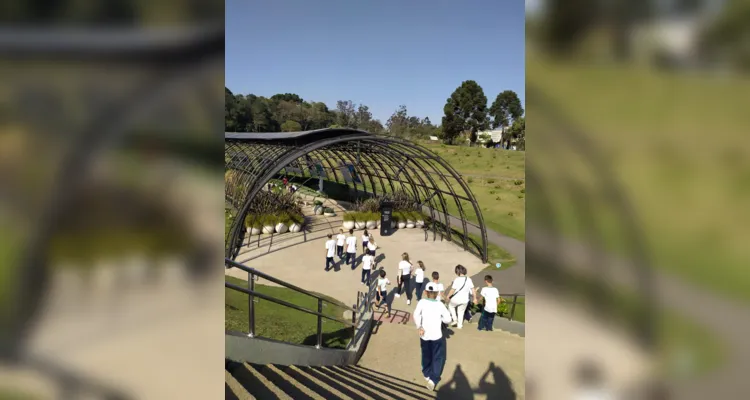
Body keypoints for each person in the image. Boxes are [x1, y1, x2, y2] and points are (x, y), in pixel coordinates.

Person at [413, 282, 452, 391]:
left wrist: (419, 326)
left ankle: (426, 372)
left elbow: (416, 314)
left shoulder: (421, 302)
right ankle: (434, 379)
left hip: (424, 334)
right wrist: (442, 320)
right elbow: (448, 319)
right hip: (436, 335)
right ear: (437, 293)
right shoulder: (440, 304)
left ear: (425, 292)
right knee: (438, 357)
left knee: (426, 354)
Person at [445, 264, 477, 329]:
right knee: (461, 312)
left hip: (455, 299)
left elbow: (452, 290)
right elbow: (473, 290)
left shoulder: (456, 280)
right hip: (465, 300)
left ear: (457, 271)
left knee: (451, 306)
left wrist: (448, 296)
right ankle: (460, 326)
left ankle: (455, 320)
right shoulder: (469, 279)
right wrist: (475, 298)